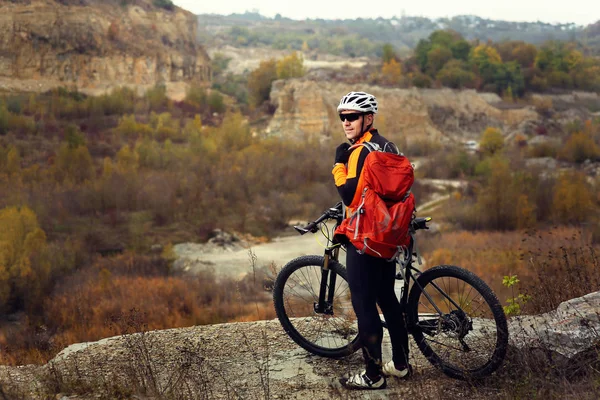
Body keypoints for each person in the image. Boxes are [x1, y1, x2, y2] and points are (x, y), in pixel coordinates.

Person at [332, 91, 412, 390]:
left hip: (365, 238)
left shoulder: (358, 152)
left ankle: (373, 375)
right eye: (342, 117)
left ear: (368, 118)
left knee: (364, 304)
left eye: (352, 117)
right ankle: (401, 365)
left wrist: (338, 163)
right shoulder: (389, 146)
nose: (346, 122)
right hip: (390, 234)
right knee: (388, 300)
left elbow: (349, 195)